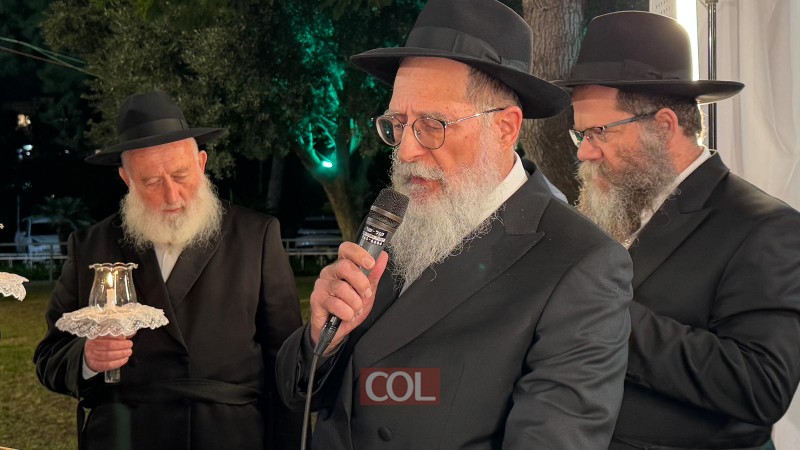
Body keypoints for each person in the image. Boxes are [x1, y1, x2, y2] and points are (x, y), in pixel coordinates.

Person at [275, 0, 634, 448]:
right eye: (398, 124)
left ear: (505, 128)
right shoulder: (400, 216)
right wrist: (322, 338)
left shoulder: (582, 264)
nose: (407, 151)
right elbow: (301, 391)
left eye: (432, 125)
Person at [555, 11, 800, 450]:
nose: (585, 153)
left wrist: (603, 313)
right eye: (580, 135)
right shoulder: (614, 206)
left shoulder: (765, 227)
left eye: (599, 132)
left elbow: (760, 386)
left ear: (665, 126)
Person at [34, 91, 304, 450]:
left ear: (202, 163)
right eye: (151, 182)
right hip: (125, 436)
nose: (172, 196)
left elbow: (287, 365)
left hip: (229, 435)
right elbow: (49, 357)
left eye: (181, 175)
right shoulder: (90, 246)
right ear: (127, 178)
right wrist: (86, 358)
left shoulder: (256, 235)